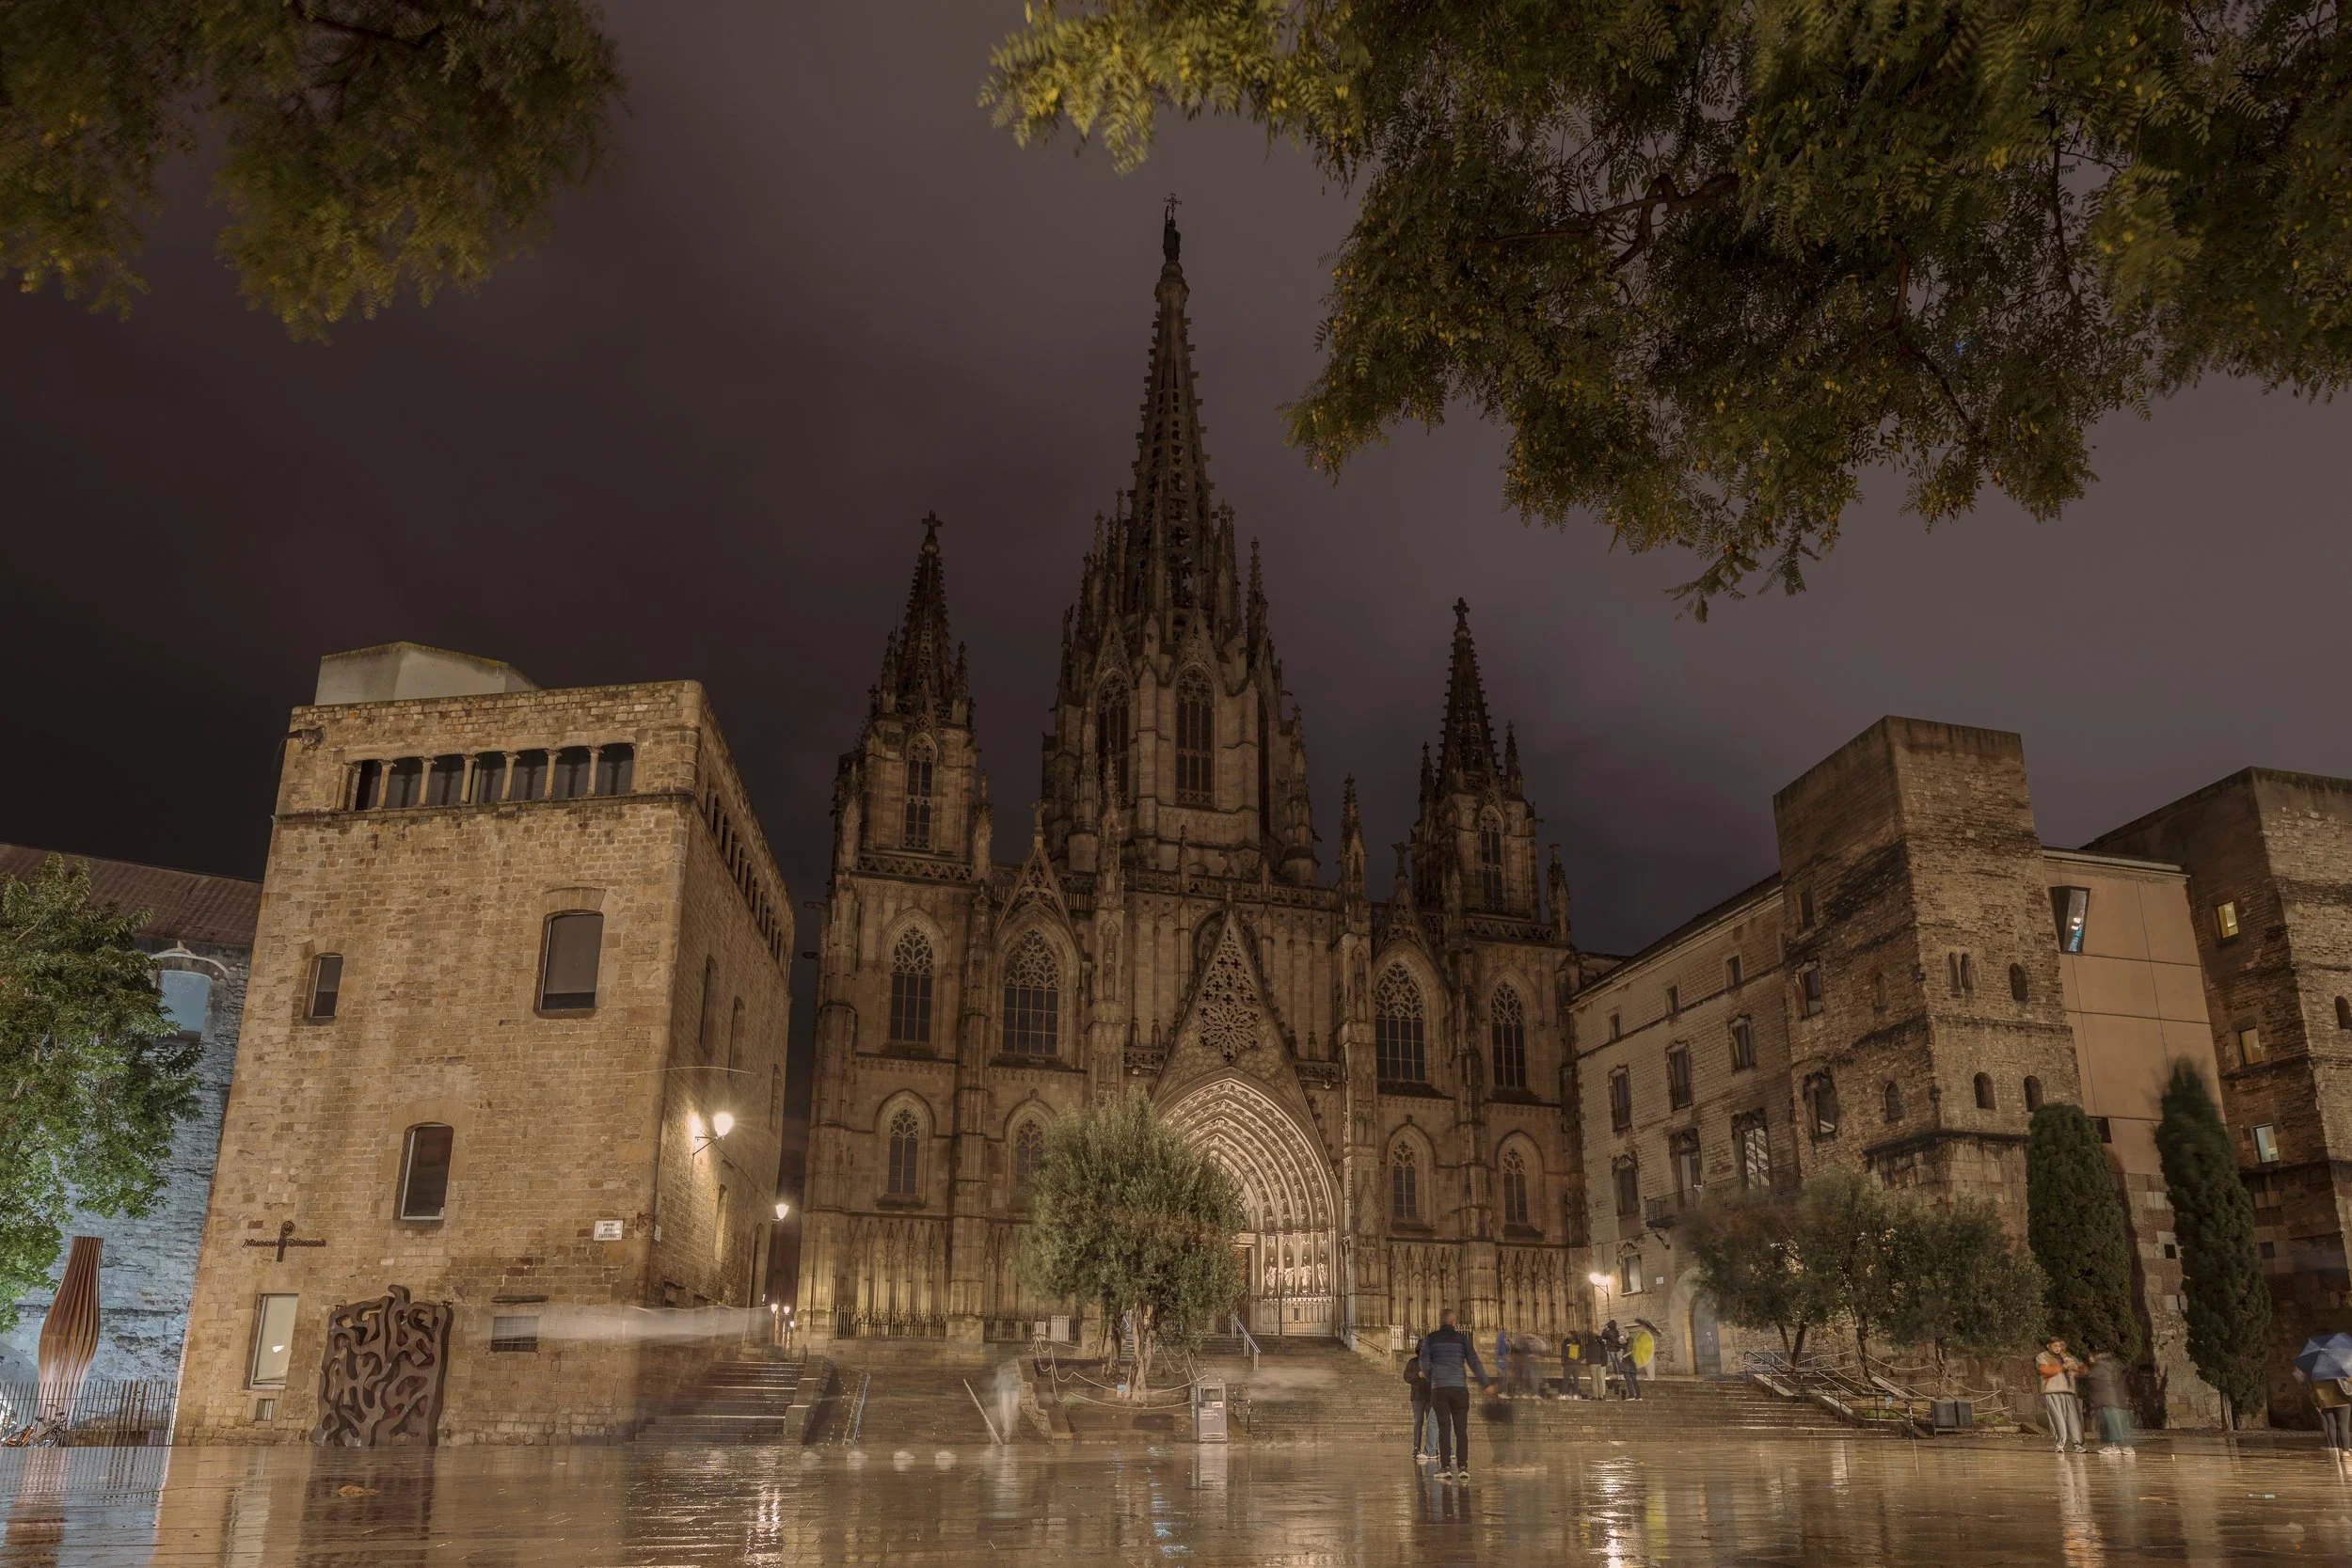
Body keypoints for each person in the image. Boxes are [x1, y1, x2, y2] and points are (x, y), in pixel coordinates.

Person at [1417, 1307, 1492, 1482]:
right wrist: (1485, 1384)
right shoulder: (1461, 1339)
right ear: (1453, 1322)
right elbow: (1474, 1361)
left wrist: (1432, 1377)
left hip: (1440, 1388)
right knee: (1461, 1430)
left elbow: (1424, 1363)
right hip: (1459, 1387)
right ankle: (1463, 1467)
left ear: (1440, 1321)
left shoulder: (1431, 1339)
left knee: (1444, 1428)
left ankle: (1445, 1467)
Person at [2036, 1338, 2088, 1452]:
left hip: (2068, 1391)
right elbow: (2044, 1371)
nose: (2057, 1348)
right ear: (2048, 1346)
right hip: (2051, 1390)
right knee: (2057, 1419)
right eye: (2055, 1346)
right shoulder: (2042, 1356)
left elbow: (2081, 1371)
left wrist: (2078, 1369)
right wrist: (2063, 1367)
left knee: (2074, 1419)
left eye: (2059, 1346)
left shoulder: (2067, 1357)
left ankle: (2078, 1445)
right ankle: (2059, 1445)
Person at [2083, 1351, 2136, 1456]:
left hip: (2106, 1401)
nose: (2089, 1358)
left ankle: (2116, 1447)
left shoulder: (2099, 1367)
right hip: (2109, 1401)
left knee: (2112, 1425)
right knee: (2113, 1425)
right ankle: (2121, 1447)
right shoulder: (2109, 1368)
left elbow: (2087, 1376)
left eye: (2090, 1356)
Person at [1405, 1338, 1435, 1465]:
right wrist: (1418, 1375)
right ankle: (1416, 1448)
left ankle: (1431, 1448)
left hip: (1430, 1397)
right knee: (1418, 1422)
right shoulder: (1412, 1362)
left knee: (1431, 1423)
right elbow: (1407, 1377)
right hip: (1417, 1397)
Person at [2313, 1372, 2352, 1453]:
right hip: (2342, 1400)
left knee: (2331, 1424)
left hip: (2326, 1402)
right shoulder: (2338, 1370)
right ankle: (2345, 1451)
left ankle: (2335, 1449)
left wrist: (2317, 1403)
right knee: (2343, 1425)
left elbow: (2313, 1390)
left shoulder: (2316, 1373)